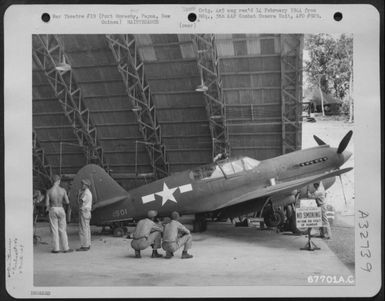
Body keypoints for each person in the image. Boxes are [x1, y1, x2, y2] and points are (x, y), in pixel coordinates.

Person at [45, 175, 73, 253]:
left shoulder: (49, 191)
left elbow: (46, 204)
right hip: (61, 209)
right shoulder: (63, 190)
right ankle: (66, 248)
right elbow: (67, 202)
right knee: (63, 230)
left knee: (54, 230)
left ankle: (56, 249)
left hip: (53, 209)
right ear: (58, 181)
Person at [77, 178, 93, 251]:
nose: (82, 185)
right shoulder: (88, 192)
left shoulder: (85, 193)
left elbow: (80, 202)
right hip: (87, 211)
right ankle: (88, 244)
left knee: (83, 229)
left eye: (83, 184)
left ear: (86, 185)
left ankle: (84, 246)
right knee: (87, 228)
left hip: (84, 211)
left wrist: (79, 194)